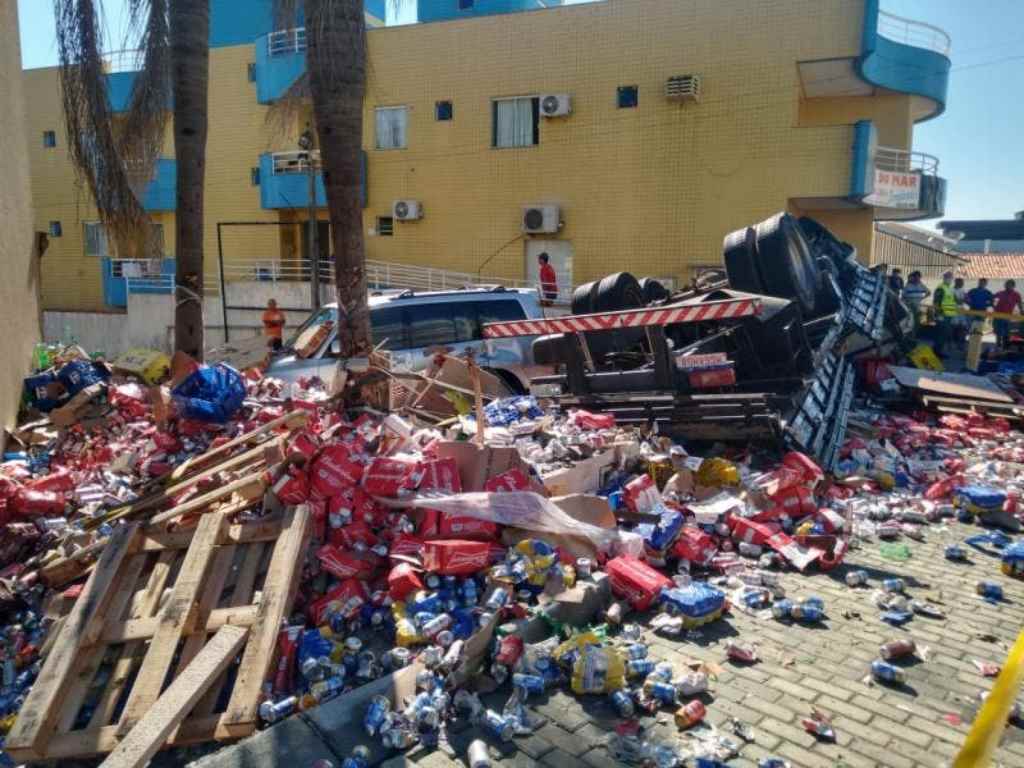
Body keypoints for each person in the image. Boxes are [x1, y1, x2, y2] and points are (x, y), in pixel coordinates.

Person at [931, 272, 958, 357]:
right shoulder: (941, 288)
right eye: (948, 277)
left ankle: (938, 351)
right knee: (940, 335)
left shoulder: (949, 288)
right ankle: (936, 352)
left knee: (944, 334)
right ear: (944, 278)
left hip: (949, 316)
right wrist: (939, 315)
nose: (950, 279)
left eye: (951, 278)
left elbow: (952, 301)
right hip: (942, 316)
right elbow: (936, 302)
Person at [993, 279, 1024, 349]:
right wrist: (993, 306)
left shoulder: (1016, 295)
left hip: (1007, 316)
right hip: (998, 315)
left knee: (1006, 333)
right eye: (1006, 284)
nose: (1007, 286)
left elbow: (1020, 305)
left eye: (1009, 285)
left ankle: (1005, 347)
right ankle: (998, 346)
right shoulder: (1000, 293)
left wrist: (1022, 312)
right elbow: (992, 298)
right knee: (998, 333)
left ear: (1013, 286)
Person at [901, 271, 929, 337]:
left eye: (918, 277)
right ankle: (910, 334)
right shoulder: (908, 286)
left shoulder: (921, 285)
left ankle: (917, 334)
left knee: (918, 321)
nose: (917, 279)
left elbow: (928, 292)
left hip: (919, 306)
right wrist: (907, 302)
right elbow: (903, 297)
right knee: (911, 322)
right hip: (910, 307)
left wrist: (922, 298)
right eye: (915, 277)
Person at [952, 277, 968, 349]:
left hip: (961, 310)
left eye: (963, 283)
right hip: (953, 310)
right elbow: (958, 301)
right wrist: (963, 299)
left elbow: (966, 299)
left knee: (963, 326)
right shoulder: (951, 290)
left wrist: (963, 299)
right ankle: (952, 343)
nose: (962, 284)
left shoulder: (963, 290)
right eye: (961, 283)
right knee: (954, 326)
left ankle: (961, 343)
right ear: (957, 282)